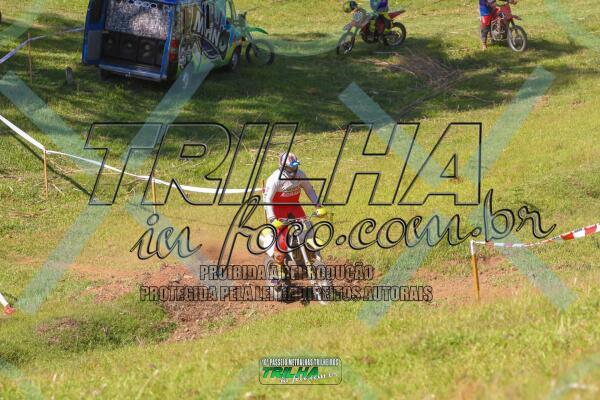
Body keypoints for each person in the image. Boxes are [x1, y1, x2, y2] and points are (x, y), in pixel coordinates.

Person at [262, 153, 327, 289]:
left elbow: (309, 190)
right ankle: (279, 268)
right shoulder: (274, 179)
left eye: (295, 167)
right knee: (281, 241)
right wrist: (272, 218)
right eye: (290, 168)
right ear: (283, 167)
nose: (293, 170)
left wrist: (318, 205)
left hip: (295, 207)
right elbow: (267, 200)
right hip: (278, 210)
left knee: (308, 231)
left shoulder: (300, 174)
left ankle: (312, 260)